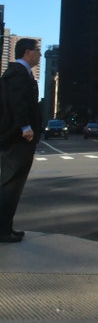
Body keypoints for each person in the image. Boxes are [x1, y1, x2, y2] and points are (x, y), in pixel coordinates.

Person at [0, 38, 42, 243]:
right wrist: (25, 127)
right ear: (27, 52)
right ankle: (3, 230)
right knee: (11, 184)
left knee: (13, 184)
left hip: (17, 138)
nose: (40, 55)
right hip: (17, 138)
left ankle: (6, 227)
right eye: (37, 51)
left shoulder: (20, 73)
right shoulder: (17, 74)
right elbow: (18, 103)